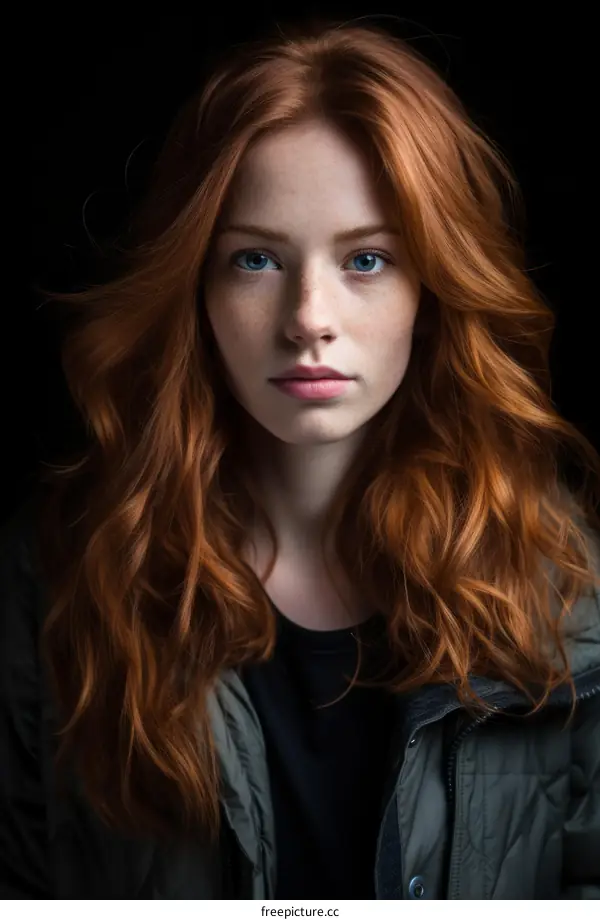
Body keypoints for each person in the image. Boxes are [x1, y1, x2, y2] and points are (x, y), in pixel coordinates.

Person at [2, 15, 599, 900]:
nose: (308, 318)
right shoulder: (62, 571)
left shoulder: (564, 582)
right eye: (255, 259)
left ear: (433, 290)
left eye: (367, 259)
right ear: (195, 288)